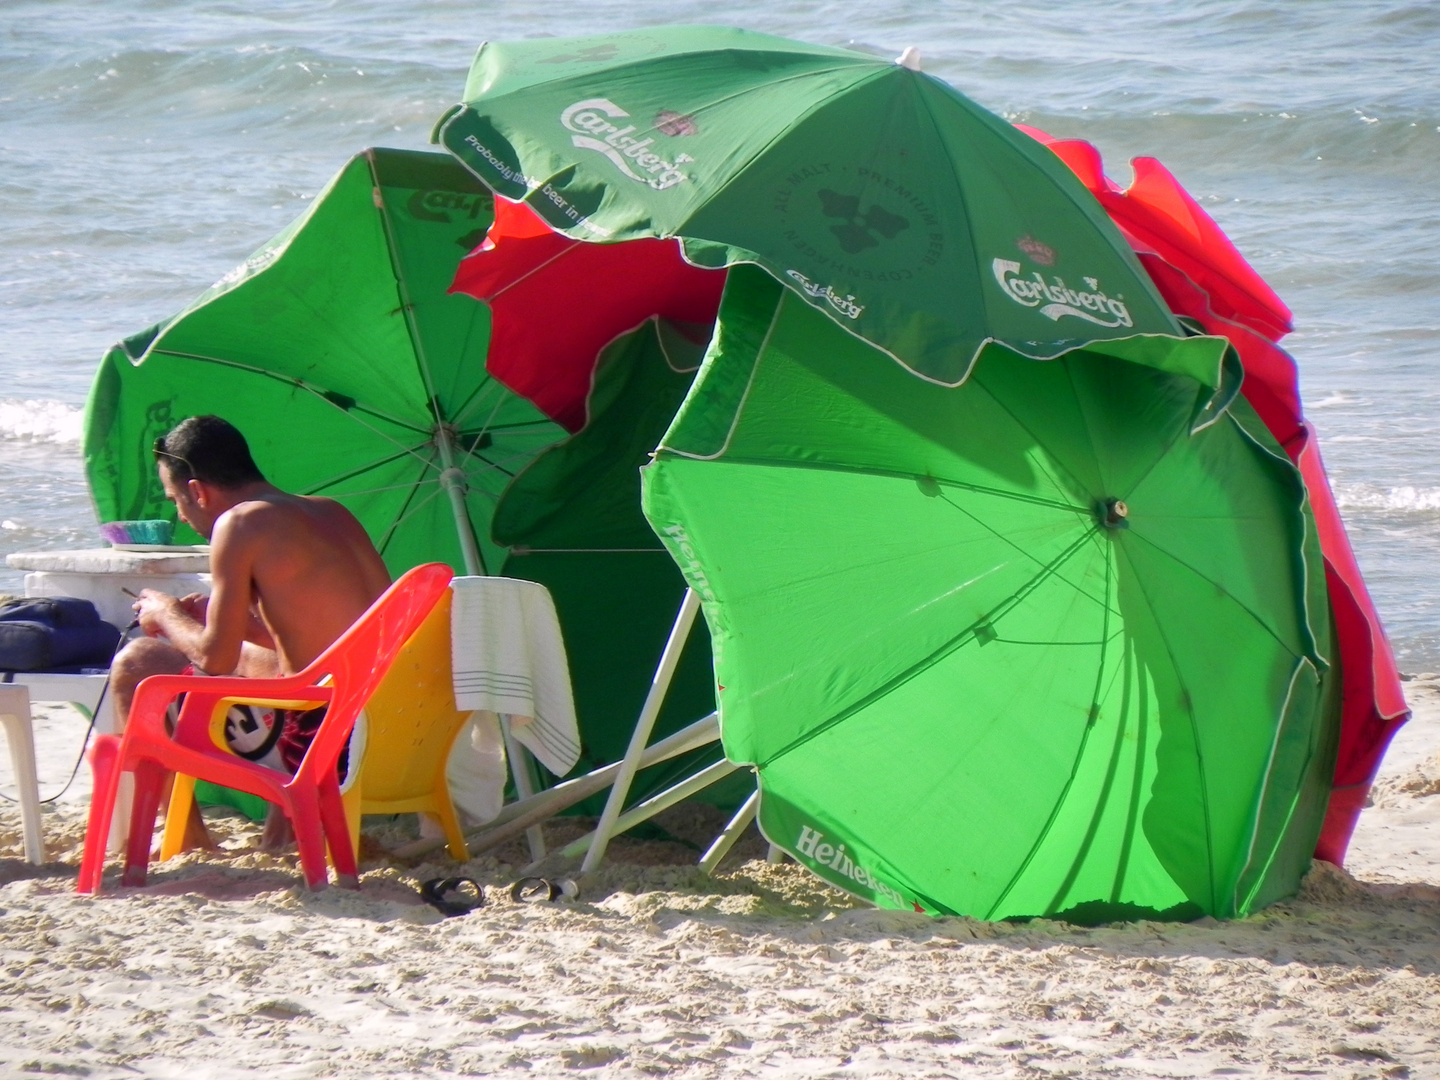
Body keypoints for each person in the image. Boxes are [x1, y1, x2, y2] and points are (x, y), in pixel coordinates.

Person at [110, 415, 391, 849]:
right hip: (388, 727)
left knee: (138, 662)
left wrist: (164, 613)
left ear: (197, 490)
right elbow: (329, 638)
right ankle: (278, 834)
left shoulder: (239, 525)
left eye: (175, 500)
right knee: (254, 661)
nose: (180, 515)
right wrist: (235, 621)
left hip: (323, 744)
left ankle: (186, 840)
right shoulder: (331, 512)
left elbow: (214, 660)